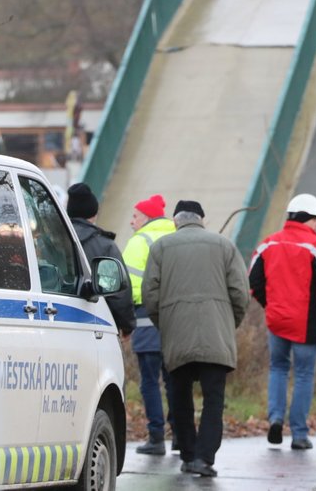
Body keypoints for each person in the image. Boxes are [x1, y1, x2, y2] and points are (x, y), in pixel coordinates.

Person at [143, 200, 249, 478]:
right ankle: (204, 458)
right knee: (214, 400)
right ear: (202, 220)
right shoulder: (225, 246)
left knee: (179, 396)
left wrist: (165, 323)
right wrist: (228, 323)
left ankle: (188, 455)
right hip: (216, 334)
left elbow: (150, 296)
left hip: (176, 335)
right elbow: (240, 293)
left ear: (176, 221)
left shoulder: (160, 248)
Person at [249, 193, 316, 451]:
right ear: (305, 218)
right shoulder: (315, 246)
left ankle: (276, 418)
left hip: (276, 320)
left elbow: (253, 282)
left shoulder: (268, 244)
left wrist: (271, 305)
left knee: (278, 369)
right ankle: (299, 434)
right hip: (305, 323)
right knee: (303, 374)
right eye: (315, 219)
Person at [122, 193, 176, 455]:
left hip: (146, 320)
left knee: (149, 381)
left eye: (135, 216)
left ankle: (156, 437)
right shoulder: (176, 236)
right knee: (174, 379)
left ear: (146, 217)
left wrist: (125, 315)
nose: (132, 222)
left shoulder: (139, 241)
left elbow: (130, 285)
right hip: (177, 321)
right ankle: (179, 434)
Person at [65, 183, 135, 337]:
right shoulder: (105, 245)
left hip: (56, 320)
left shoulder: (50, 241)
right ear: (93, 213)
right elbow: (118, 293)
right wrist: (127, 325)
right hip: (97, 325)